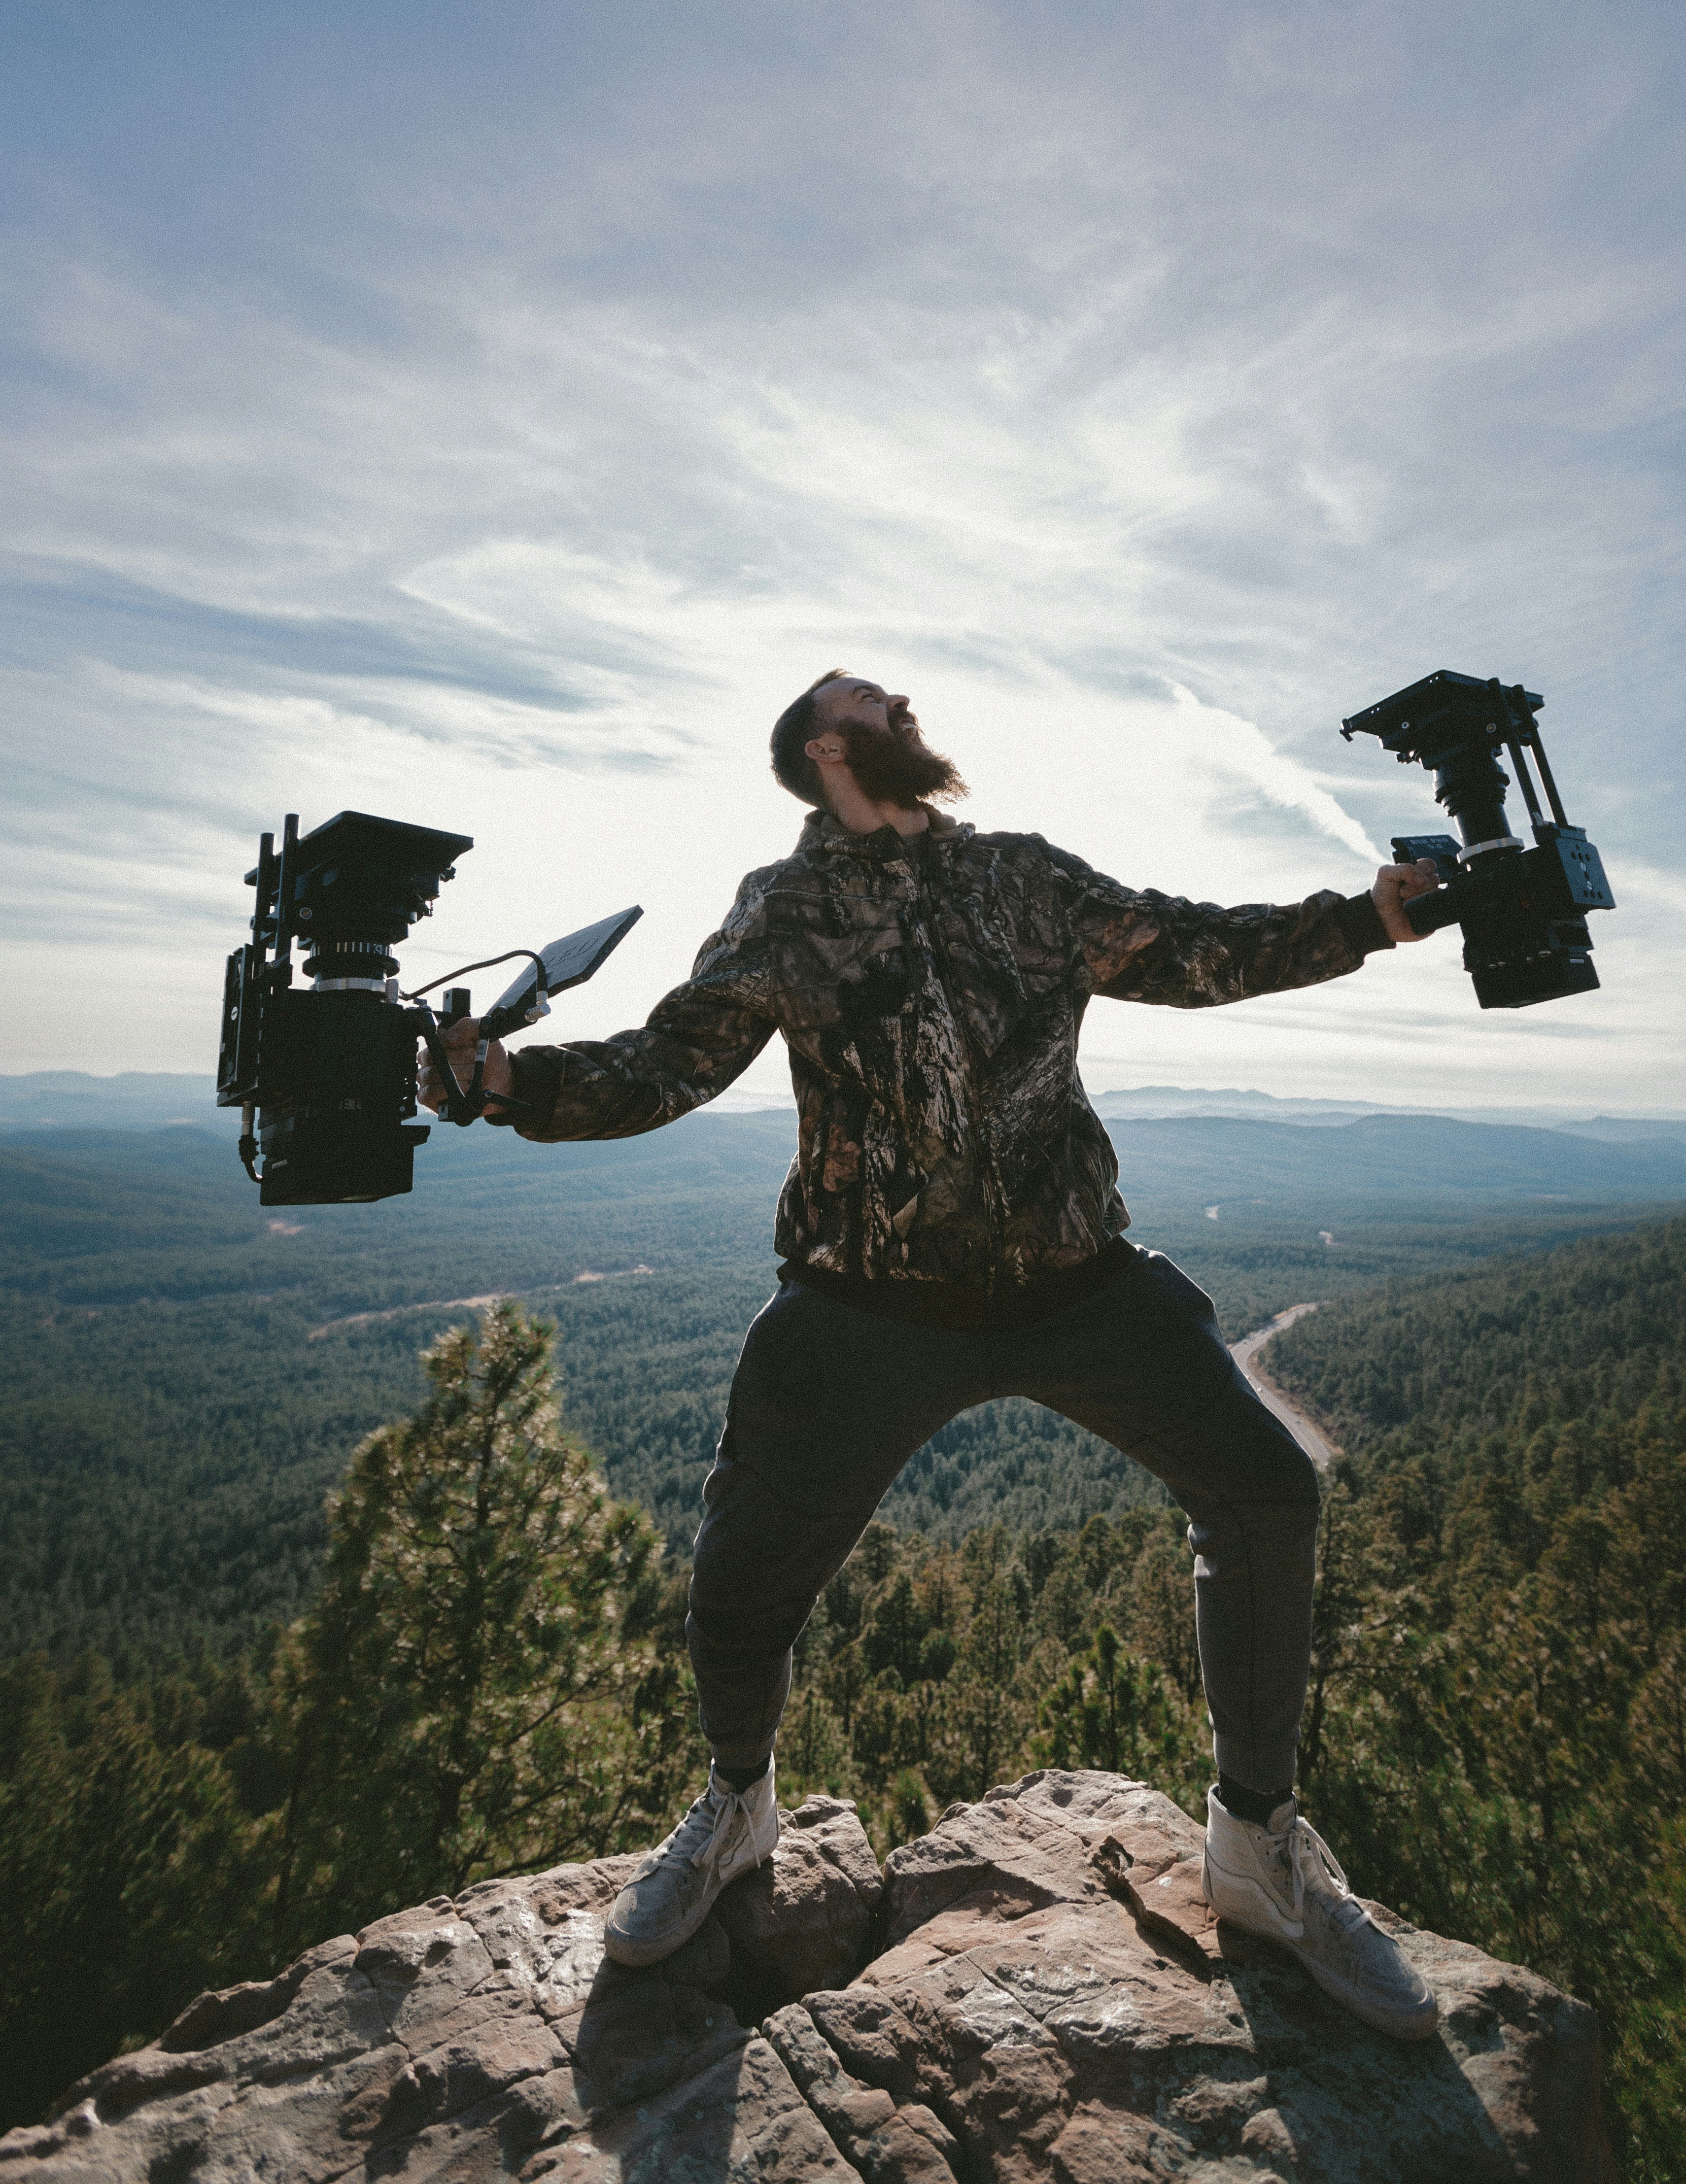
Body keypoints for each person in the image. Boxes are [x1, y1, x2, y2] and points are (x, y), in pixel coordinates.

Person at [421, 671, 1444, 2040]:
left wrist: (1372, 920)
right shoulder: (784, 909)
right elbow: (670, 1066)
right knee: (738, 1583)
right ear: (831, 748)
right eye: (874, 698)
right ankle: (736, 1808)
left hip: (1077, 1283)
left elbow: (1199, 950)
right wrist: (508, 1084)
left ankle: (1257, 1850)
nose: (910, 699)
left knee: (1267, 1492)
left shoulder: (1020, 878)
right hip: (865, 1309)